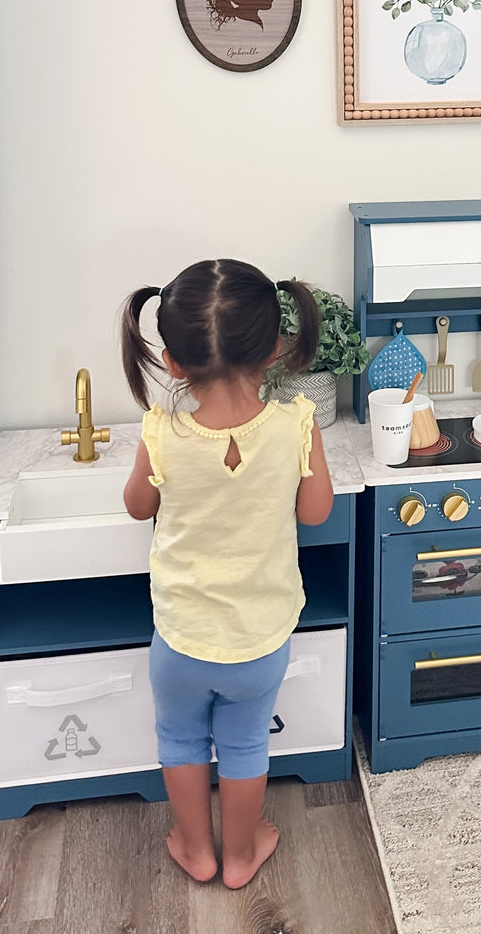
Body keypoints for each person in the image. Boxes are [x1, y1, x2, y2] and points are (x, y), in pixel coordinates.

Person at [119, 259, 334, 889]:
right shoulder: (297, 424)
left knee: (180, 739)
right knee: (245, 743)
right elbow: (315, 512)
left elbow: (137, 506)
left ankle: (196, 846)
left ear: (172, 362)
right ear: (273, 348)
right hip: (260, 639)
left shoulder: (162, 432)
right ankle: (241, 854)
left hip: (182, 637)